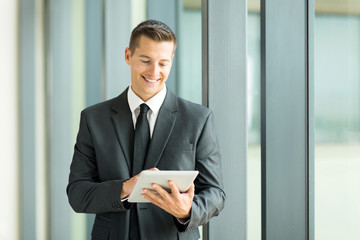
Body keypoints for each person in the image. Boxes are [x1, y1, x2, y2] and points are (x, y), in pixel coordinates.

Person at [67, 19, 225, 240]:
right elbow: (77, 193)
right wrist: (125, 188)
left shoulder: (198, 119)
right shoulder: (93, 119)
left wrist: (187, 211)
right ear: (128, 56)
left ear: (171, 61)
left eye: (163, 63)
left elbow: (215, 193)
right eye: (146, 60)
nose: (154, 71)